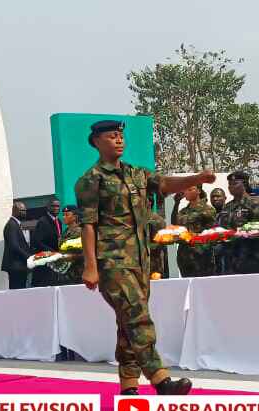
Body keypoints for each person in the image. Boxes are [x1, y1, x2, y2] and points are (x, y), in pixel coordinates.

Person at [76, 120, 201, 396]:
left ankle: (129, 385)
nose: (119, 140)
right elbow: (88, 224)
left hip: (141, 259)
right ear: (96, 141)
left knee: (127, 321)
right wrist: (90, 266)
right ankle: (161, 379)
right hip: (112, 261)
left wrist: (196, 179)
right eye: (111, 136)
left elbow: (165, 184)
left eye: (121, 136)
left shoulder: (136, 173)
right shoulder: (91, 179)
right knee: (137, 316)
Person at [219, 171, 259, 274]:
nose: (231, 187)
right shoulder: (227, 206)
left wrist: (237, 233)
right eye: (229, 184)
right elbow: (223, 227)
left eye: (234, 183)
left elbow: (257, 227)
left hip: (250, 254)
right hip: (229, 256)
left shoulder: (255, 202)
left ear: (244, 184)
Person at [171, 186, 216, 277]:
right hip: (184, 256)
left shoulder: (207, 209)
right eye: (185, 189)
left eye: (190, 189)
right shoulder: (183, 211)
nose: (186, 192)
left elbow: (212, 234)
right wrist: (176, 203)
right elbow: (174, 224)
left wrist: (194, 237)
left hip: (201, 256)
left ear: (198, 191)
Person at [31, 198, 62, 287]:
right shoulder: (43, 221)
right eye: (54, 206)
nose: (56, 208)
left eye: (58, 206)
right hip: (45, 262)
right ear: (48, 207)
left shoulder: (58, 221)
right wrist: (53, 252)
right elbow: (37, 242)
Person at [1, 201, 32, 289]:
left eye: (25, 211)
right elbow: (14, 246)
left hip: (19, 266)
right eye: (22, 211)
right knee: (17, 292)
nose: (24, 213)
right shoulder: (11, 225)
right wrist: (28, 257)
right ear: (14, 211)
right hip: (16, 266)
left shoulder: (16, 224)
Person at [58, 205, 84, 284]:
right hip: (67, 271)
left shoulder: (80, 231)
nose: (63, 217)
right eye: (63, 214)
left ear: (75, 217)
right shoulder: (65, 231)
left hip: (78, 271)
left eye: (67, 215)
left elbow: (82, 252)